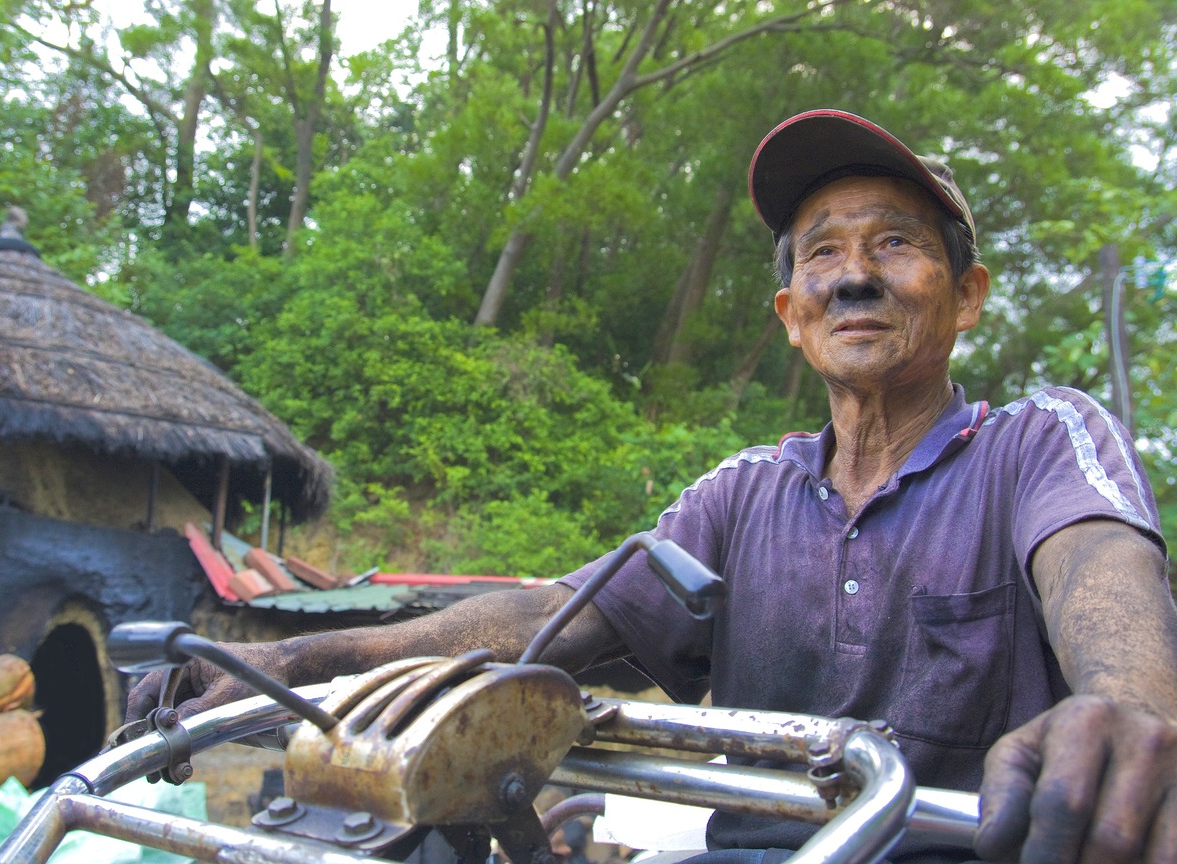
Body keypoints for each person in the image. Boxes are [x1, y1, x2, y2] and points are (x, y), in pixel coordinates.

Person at [129, 110, 1177, 863]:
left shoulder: (1039, 443)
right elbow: (552, 614)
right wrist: (298, 660)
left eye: (895, 245)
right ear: (791, 314)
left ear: (968, 297)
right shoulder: (742, 493)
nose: (855, 275)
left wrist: (1126, 704)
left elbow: (1103, 570)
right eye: (824, 255)